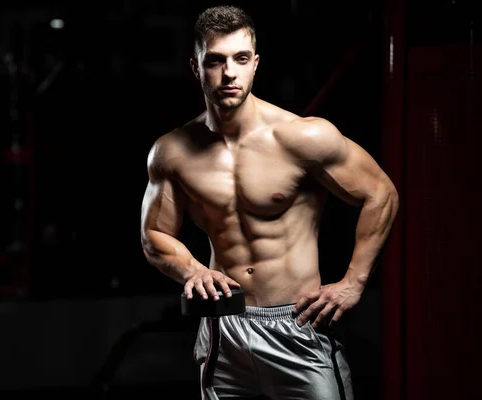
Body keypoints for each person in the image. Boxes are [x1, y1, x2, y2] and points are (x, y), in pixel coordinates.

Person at [140, 5, 399, 400]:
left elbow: (381, 194)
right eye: (216, 61)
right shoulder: (172, 152)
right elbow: (154, 233)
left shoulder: (302, 138)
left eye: (241, 59)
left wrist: (353, 282)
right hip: (223, 328)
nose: (229, 73)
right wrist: (193, 270)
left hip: (296, 324)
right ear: (196, 67)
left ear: (255, 64)